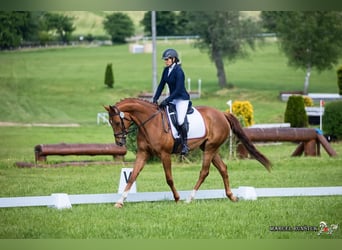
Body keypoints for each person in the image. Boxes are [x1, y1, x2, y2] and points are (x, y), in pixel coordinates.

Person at [153, 48, 190, 155]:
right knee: (163, 116)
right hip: (173, 99)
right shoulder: (166, 70)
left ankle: (185, 144)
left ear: (174, 59)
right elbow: (161, 85)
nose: (166, 61)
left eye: (168, 59)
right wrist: (155, 98)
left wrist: (167, 100)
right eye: (165, 59)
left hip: (181, 99)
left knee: (180, 121)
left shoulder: (179, 71)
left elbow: (178, 89)